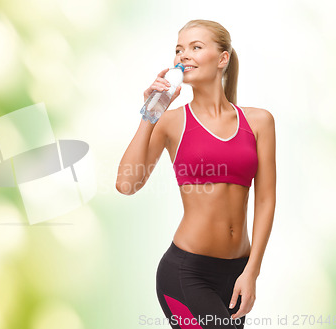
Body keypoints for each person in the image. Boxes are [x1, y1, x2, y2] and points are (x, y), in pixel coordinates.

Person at [115, 19, 276, 329]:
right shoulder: (170, 122)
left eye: (195, 47)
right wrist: (151, 112)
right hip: (186, 273)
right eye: (178, 49)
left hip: (237, 272)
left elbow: (266, 200)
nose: (183, 55)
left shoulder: (260, 122)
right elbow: (125, 184)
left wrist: (251, 271)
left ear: (222, 59)